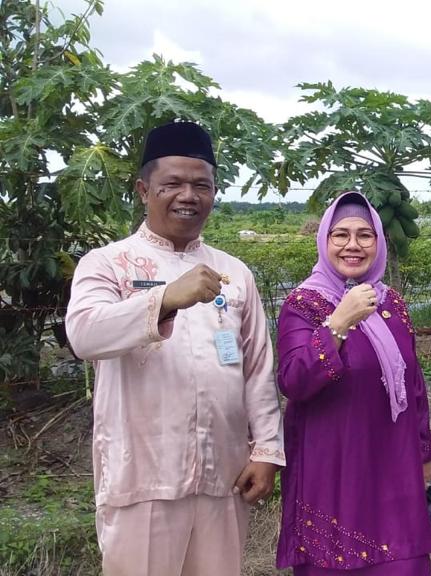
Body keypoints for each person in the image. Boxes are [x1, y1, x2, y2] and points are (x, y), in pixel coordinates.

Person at [66, 121, 285, 576]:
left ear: (214, 192)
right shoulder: (108, 264)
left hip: (223, 474)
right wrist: (164, 299)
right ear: (144, 190)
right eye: (172, 184)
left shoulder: (234, 272)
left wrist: (266, 451)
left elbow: (257, 368)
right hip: (142, 477)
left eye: (201, 185)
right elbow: (84, 335)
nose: (189, 195)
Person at [275, 191, 431, 575]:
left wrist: (424, 450)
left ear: (378, 243)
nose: (353, 245)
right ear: (324, 241)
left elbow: (413, 385)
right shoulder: (304, 304)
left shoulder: (391, 304)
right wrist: (338, 323)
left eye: (365, 235)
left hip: (394, 467)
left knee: (402, 563)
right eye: (341, 235)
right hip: (333, 473)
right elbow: (294, 380)